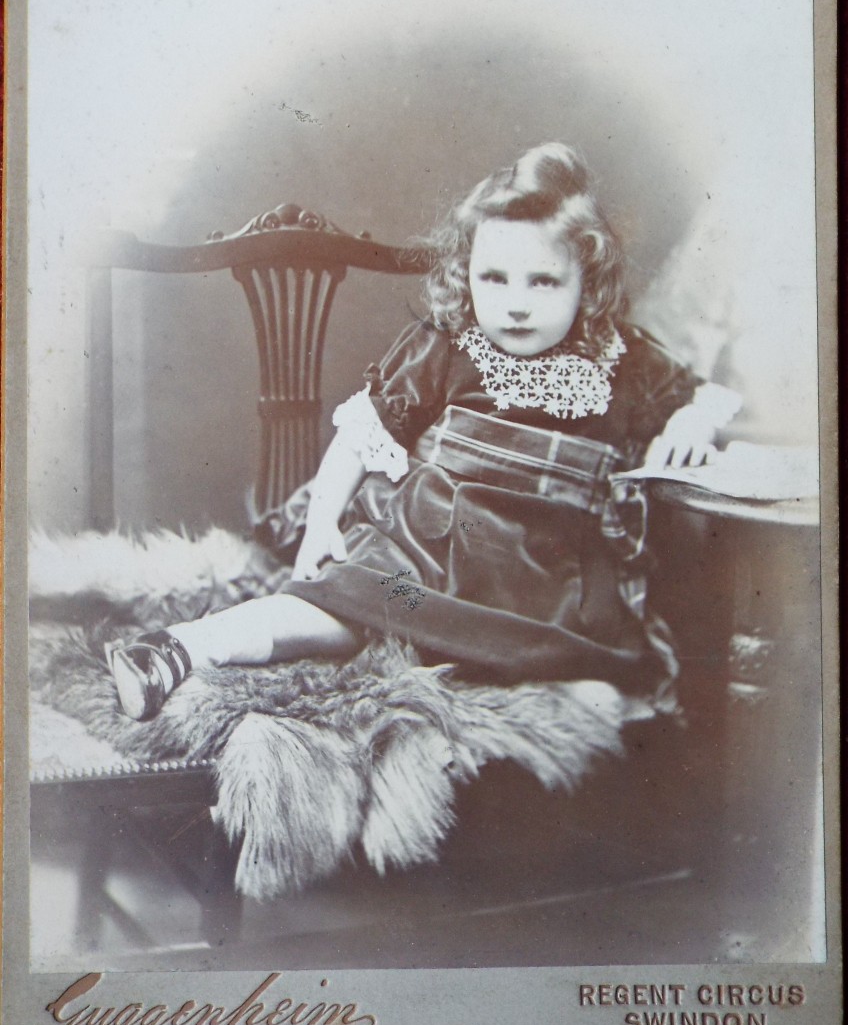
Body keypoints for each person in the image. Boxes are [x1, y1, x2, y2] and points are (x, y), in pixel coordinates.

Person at [108, 142, 741, 721]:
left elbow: (699, 398)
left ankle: (529, 707)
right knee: (342, 611)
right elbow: (362, 433)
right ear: (467, 272)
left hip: (543, 580)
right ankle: (180, 650)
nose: (515, 303)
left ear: (589, 284)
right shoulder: (450, 346)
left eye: (543, 281)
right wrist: (324, 518)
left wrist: (690, 420)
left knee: (578, 670)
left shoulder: (619, 357)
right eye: (493, 277)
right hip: (426, 553)